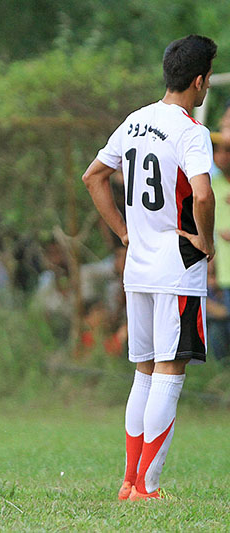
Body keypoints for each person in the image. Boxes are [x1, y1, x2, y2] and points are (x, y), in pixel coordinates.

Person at [82, 34, 217, 501]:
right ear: (200, 82)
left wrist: (123, 231)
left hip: (137, 268)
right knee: (169, 372)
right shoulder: (190, 130)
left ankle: (129, 481)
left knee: (143, 373)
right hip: (177, 268)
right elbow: (201, 193)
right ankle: (148, 487)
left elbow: (93, 176)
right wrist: (205, 238)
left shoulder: (135, 121)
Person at [209, 131, 230, 362]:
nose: (221, 156)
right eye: (217, 150)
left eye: (227, 150)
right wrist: (211, 271)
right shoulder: (211, 187)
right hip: (223, 274)